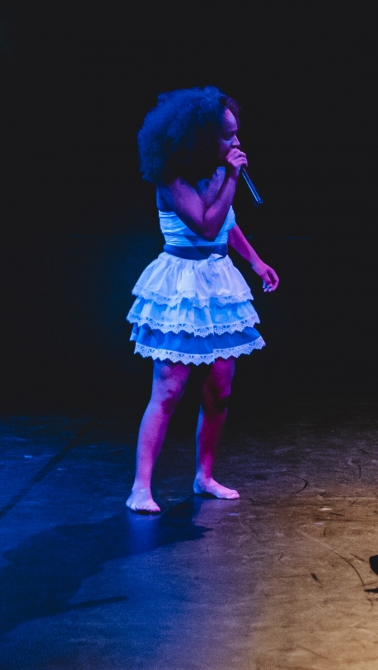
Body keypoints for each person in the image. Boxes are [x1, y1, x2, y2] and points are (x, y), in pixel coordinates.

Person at [125, 87, 280, 513]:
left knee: (219, 391)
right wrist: (231, 177)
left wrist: (256, 261)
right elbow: (206, 223)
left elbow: (227, 225)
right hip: (180, 284)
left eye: (236, 134)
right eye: (226, 136)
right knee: (169, 389)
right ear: (198, 136)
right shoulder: (172, 176)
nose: (236, 143)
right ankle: (141, 486)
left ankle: (204, 475)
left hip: (218, 281)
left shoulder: (218, 172)